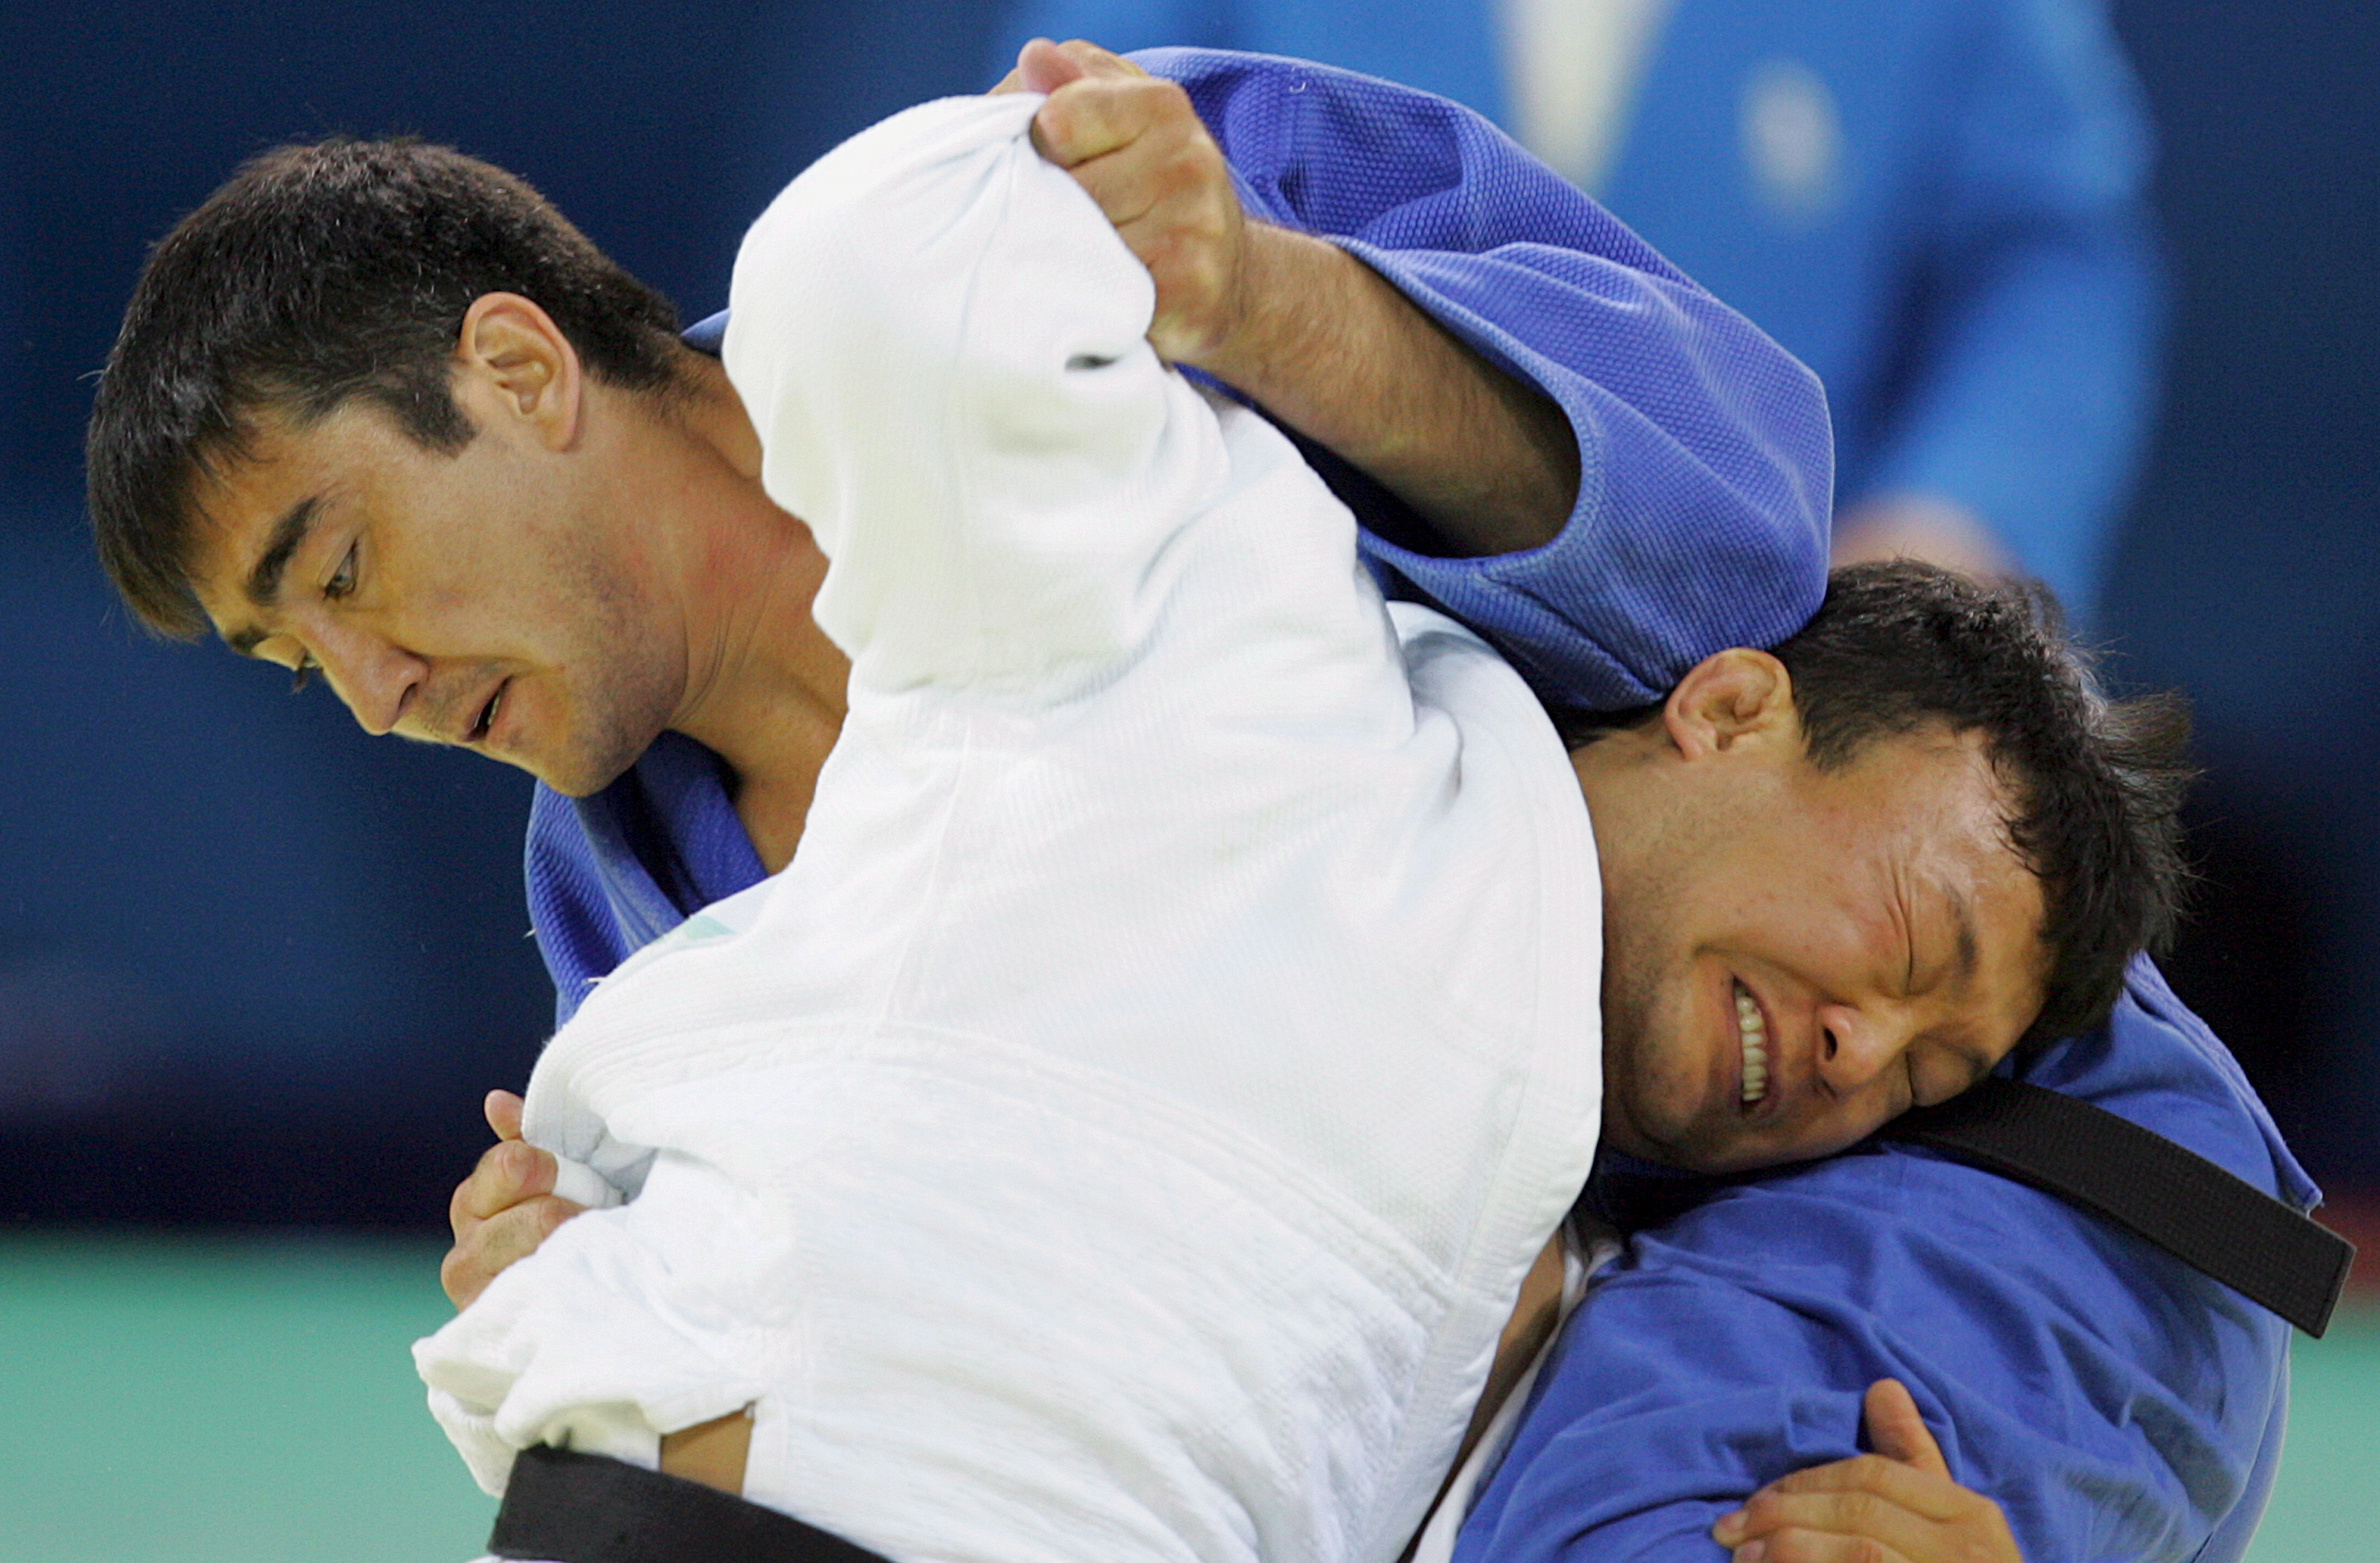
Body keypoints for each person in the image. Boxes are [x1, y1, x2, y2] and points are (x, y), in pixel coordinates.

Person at [81, 39, 2253, 1563]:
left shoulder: (1046, 251)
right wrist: (608, 1267)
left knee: (1660, 1506)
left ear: (521, 372)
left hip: (1984, 1139)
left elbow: (1732, 501)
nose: (370, 696)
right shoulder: (635, 888)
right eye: (300, 664)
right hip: (1469, 1305)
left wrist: (1268, 305)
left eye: (342, 572)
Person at [984, 0, 2162, 617]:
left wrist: (1954, 533)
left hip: (1767, 643)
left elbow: (2048, 256)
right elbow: (1064, 156)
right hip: (1255, 611)